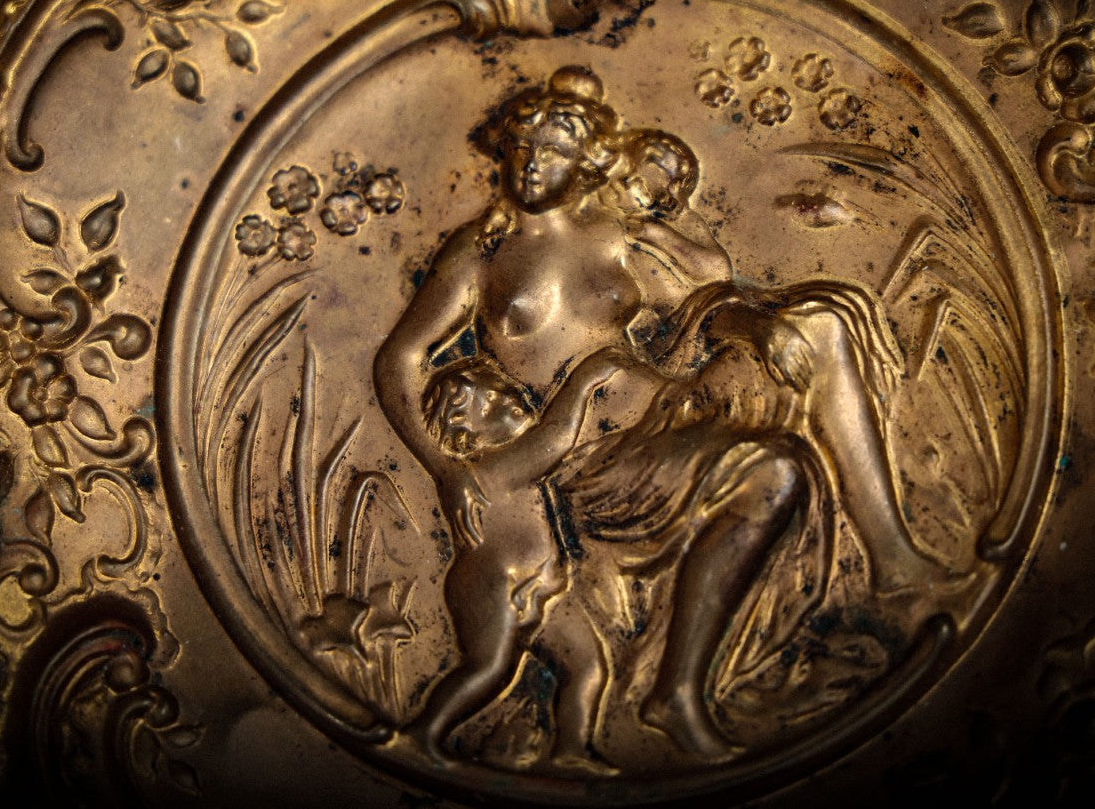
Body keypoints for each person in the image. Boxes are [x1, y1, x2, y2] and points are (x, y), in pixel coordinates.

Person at [374, 66, 938, 762]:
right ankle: (676, 694)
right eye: (519, 148)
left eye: (551, 151)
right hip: (573, 457)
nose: (530, 163)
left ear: (584, 162)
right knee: (775, 474)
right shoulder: (482, 252)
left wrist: (753, 327)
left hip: (660, 404)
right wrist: (444, 466)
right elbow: (399, 360)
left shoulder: (612, 234)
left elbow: (697, 306)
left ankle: (894, 560)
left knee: (820, 323)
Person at [396, 348, 651, 772]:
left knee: (586, 665)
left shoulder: (500, 466)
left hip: (539, 585)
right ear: (465, 429)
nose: (511, 397)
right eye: (491, 401)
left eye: (505, 390)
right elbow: (556, 437)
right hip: (491, 584)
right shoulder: (484, 473)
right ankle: (421, 734)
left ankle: (570, 750)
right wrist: (585, 378)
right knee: (487, 669)